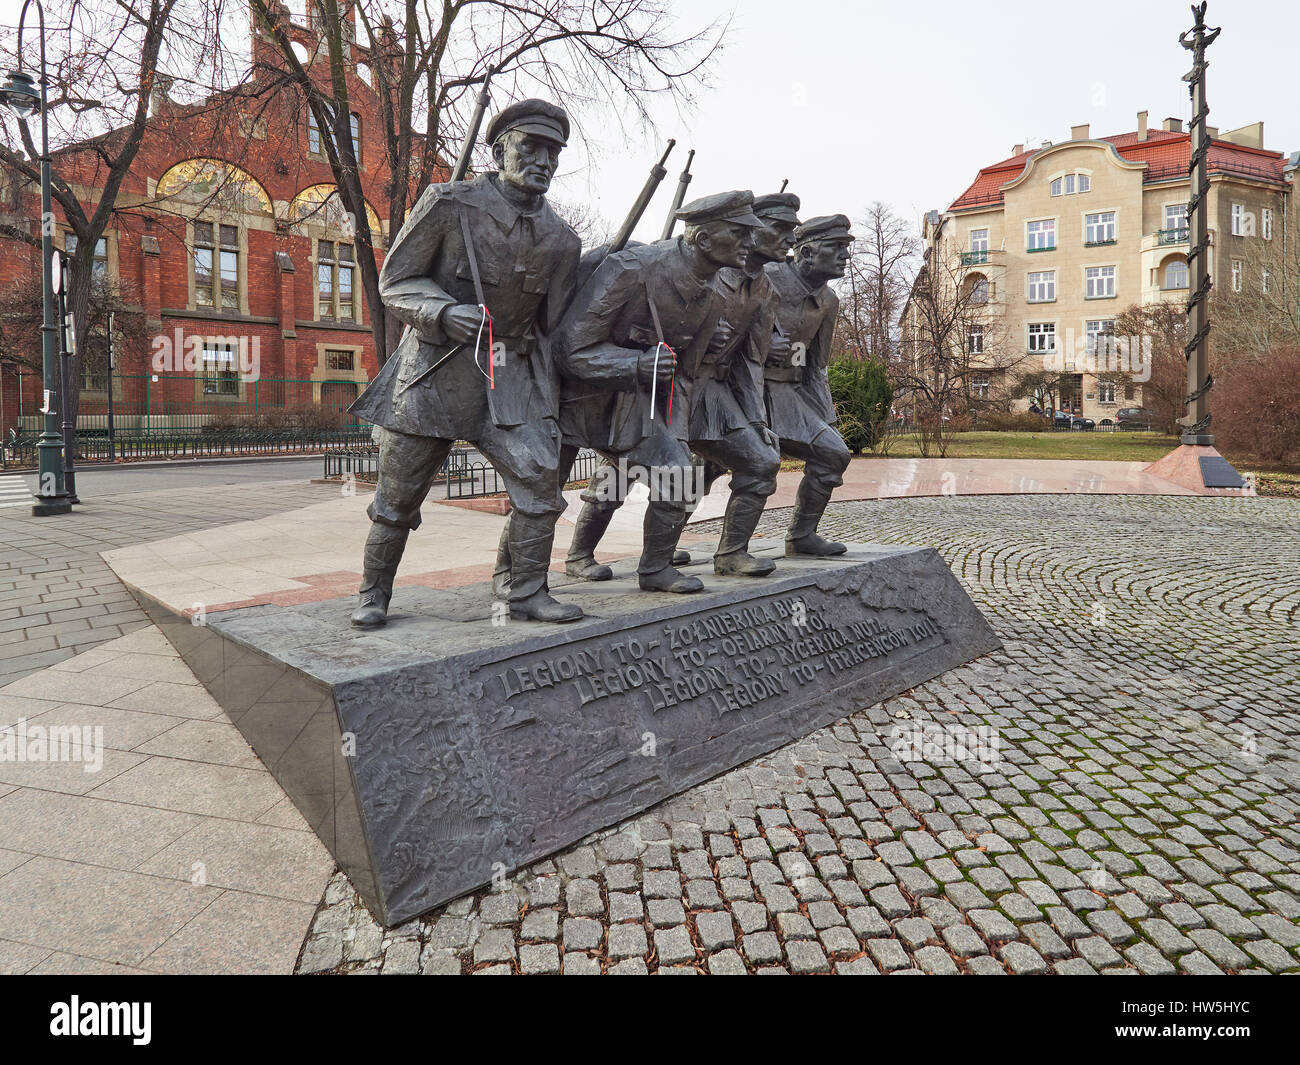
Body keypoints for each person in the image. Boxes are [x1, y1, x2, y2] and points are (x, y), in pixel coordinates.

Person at [347, 98, 583, 626]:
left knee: (540, 484)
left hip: (507, 381)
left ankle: (523, 591)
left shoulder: (563, 240)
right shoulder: (449, 203)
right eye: (532, 147)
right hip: (433, 375)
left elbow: (554, 329)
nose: (543, 160)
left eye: (553, 152)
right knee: (398, 499)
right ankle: (373, 594)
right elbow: (396, 281)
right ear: (500, 150)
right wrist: (443, 311)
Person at [764, 214, 855, 555]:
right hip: (743, 390)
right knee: (708, 466)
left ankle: (801, 536)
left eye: (846, 247)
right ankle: (666, 545)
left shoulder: (828, 301)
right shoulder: (765, 279)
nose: (845, 255)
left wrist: (826, 422)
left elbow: (815, 367)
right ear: (805, 252)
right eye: (836, 247)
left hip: (787, 393)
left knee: (833, 455)